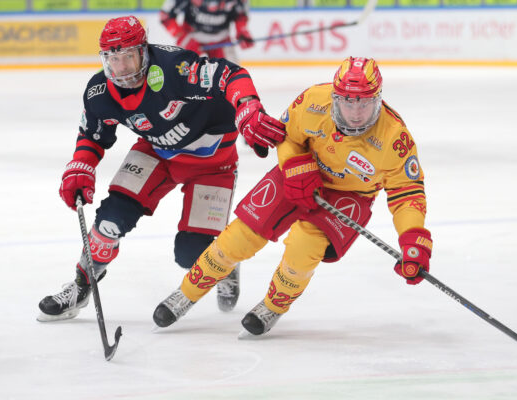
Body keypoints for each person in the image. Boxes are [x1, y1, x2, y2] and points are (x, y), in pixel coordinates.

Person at [151, 56, 433, 336]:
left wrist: (412, 237)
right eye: (348, 101)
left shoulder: (395, 138)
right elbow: (287, 136)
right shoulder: (313, 100)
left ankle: (273, 306)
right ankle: (185, 293)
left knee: (303, 249)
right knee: (240, 236)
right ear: (335, 96)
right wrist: (294, 166)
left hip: (350, 195)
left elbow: (407, 192)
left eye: (364, 101)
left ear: (378, 99)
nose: (356, 111)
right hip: (299, 171)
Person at [37, 15, 285, 322]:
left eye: (128, 56)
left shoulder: (174, 68)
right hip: (156, 153)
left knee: (190, 253)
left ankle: (227, 262)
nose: (121, 68)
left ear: (144, 50)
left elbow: (229, 74)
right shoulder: (99, 92)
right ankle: (80, 286)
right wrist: (81, 166)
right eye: (112, 59)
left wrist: (248, 106)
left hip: (213, 164)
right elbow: (92, 136)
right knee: (110, 222)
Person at [159, 0, 254, 64]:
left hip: (221, 39)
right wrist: (181, 35)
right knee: (183, 72)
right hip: (192, 37)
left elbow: (241, 15)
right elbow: (165, 16)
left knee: (233, 73)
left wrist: (242, 31)